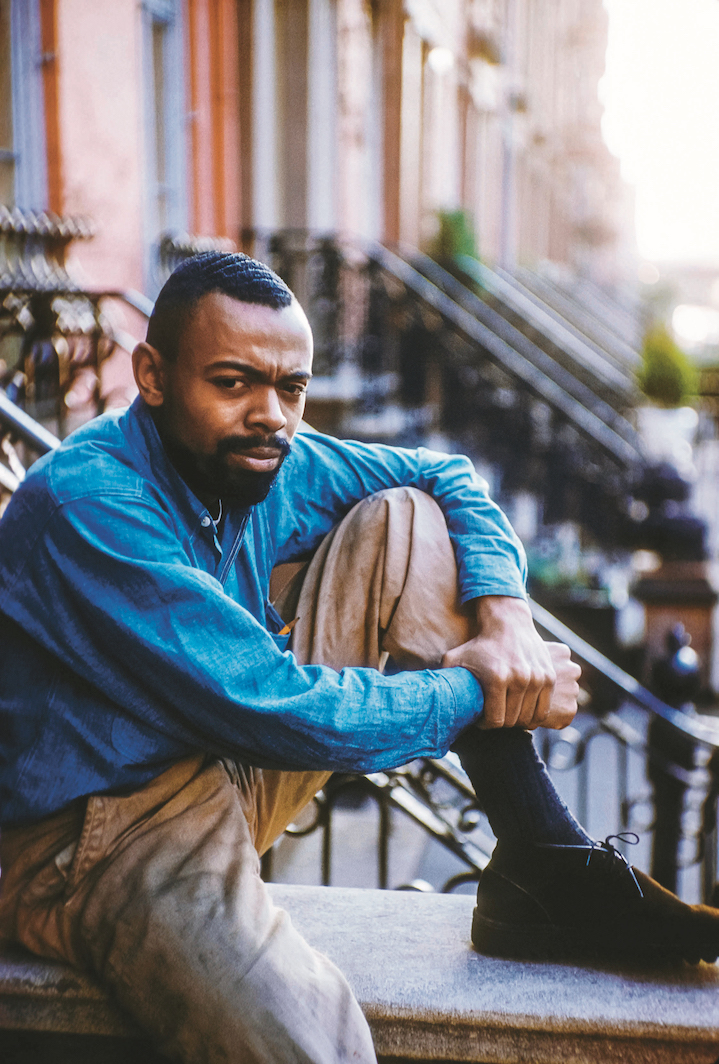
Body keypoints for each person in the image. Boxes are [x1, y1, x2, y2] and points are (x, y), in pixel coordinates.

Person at [0, 252, 716, 1064]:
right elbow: (273, 707)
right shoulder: (88, 502)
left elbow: (445, 474)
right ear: (153, 376)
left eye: (291, 388)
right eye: (232, 382)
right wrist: (474, 690)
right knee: (308, 1040)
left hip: (219, 763)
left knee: (404, 515)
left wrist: (508, 622)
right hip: (96, 838)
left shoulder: (267, 455)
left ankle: (539, 855)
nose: (270, 414)